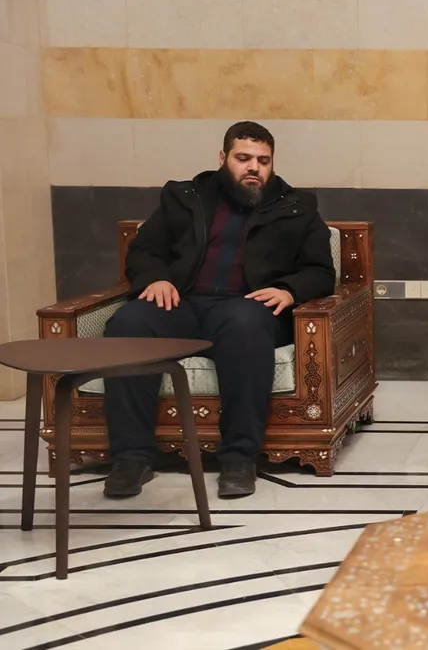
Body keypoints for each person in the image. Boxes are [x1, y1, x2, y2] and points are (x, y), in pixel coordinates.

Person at [102, 121, 336, 499]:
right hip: (180, 303)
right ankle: (131, 458)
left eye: (263, 160)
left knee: (245, 327)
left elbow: (321, 271)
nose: (253, 167)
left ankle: (239, 458)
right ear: (223, 157)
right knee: (130, 323)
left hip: (246, 307)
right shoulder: (185, 196)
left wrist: (289, 290)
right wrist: (154, 279)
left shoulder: (296, 206)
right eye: (243, 158)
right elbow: (145, 250)